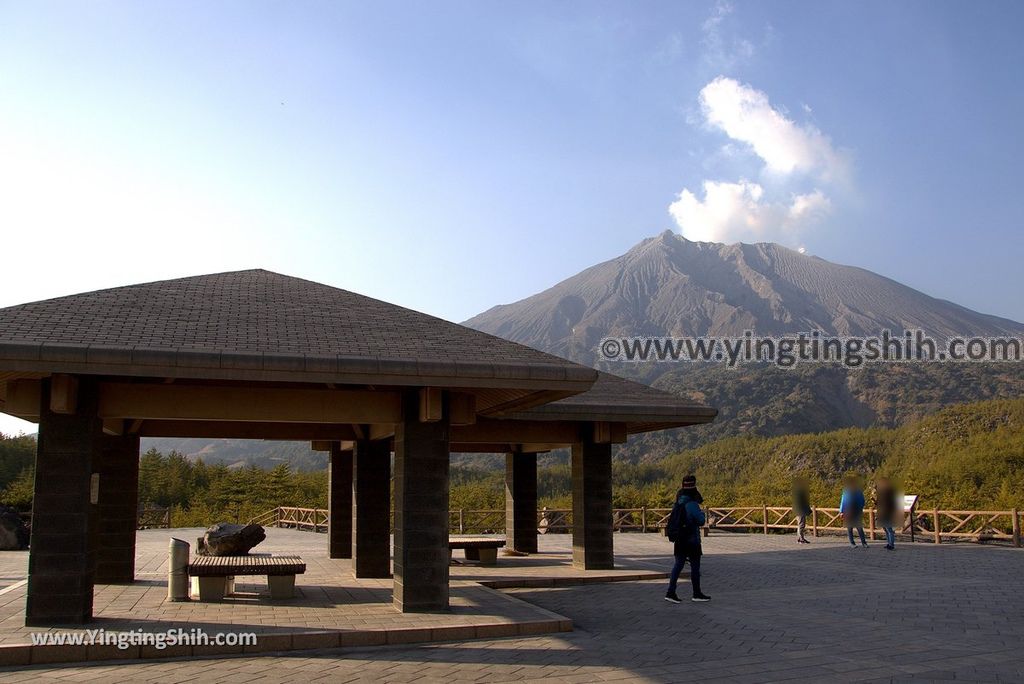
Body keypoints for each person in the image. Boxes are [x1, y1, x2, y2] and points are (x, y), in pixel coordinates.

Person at [665, 474, 711, 603]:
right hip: (692, 540)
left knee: (678, 565)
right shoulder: (692, 504)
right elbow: (701, 521)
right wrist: (701, 513)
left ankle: (670, 592)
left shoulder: (678, 502)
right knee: (695, 567)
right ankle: (696, 593)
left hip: (679, 539)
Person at [840, 475, 867, 548]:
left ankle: (864, 543)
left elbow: (862, 500)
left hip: (857, 510)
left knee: (859, 527)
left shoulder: (858, 491)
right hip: (848, 510)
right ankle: (852, 543)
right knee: (850, 528)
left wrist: (861, 508)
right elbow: (843, 501)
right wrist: (841, 511)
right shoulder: (846, 491)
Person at [874, 477, 899, 550]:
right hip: (881, 512)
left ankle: (891, 544)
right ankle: (889, 543)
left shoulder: (889, 491)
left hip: (887, 512)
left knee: (889, 529)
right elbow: (878, 502)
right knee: (885, 528)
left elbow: (893, 503)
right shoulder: (881, 492)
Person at [792, 476, 812, 544]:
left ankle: (799, 538)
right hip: (800, 510)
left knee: (800, 524)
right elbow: (801, 502)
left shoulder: (797, 491)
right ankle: (801, 539)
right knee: (801, 524)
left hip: (799, 510)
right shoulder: (799, 491)